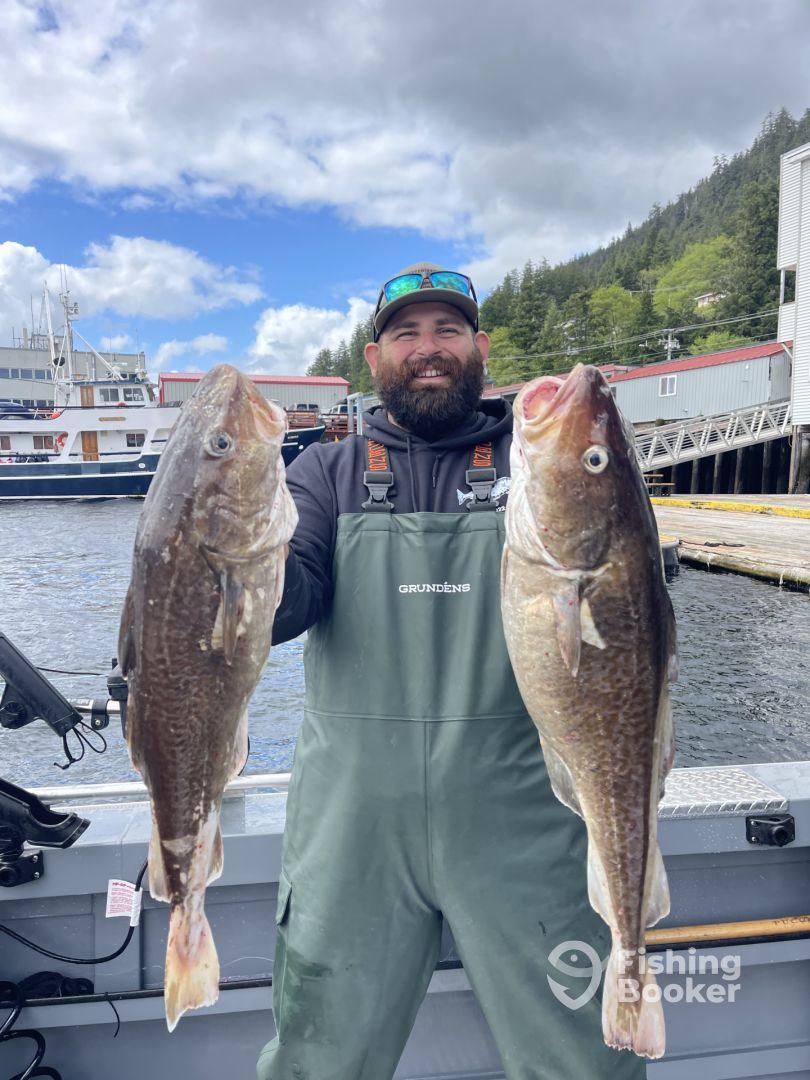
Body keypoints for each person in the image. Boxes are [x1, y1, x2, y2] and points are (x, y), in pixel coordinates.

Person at [256, 263, 646, 1080]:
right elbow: (286, 606)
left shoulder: (535, 465)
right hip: (352, 826)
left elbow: (625, 604)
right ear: (375, 356)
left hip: (528, 817)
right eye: (407, 333)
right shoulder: (325, 475)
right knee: (317, 1054)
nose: (428, 349)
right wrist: (222, 567)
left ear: (480, 347)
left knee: (581, 1058)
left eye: (447, 331)